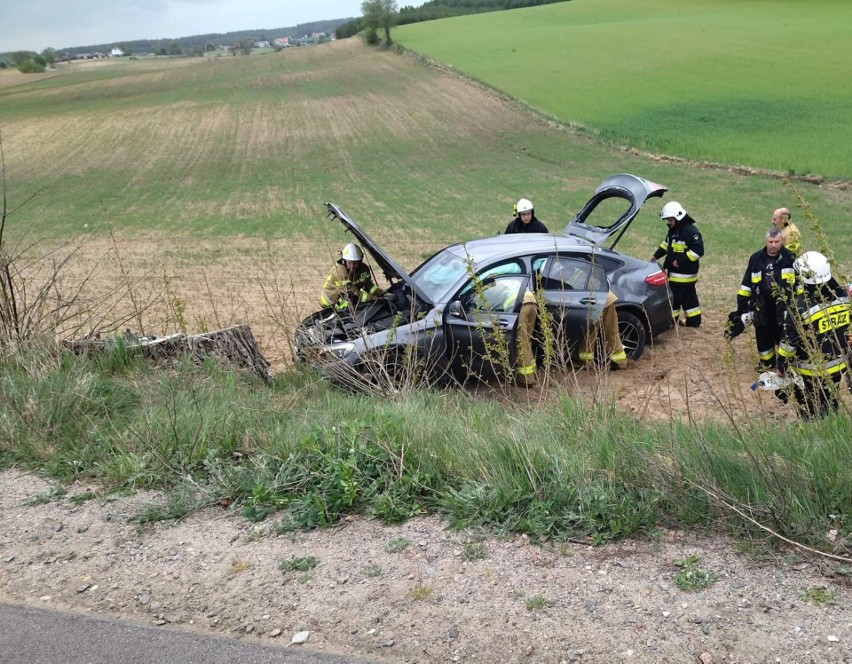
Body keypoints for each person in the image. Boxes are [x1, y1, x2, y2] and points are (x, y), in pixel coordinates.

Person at [777, 251, 851, 418]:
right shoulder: (843, 297)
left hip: (810, 371)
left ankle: (811, 431)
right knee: (831, 401)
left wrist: (781, 364)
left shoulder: (800, 306)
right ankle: (831, 428)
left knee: (808, 407)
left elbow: (789, 342)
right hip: (838, 365)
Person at [729, 228, 797, 370]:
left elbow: (798, 286)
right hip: (762, 307)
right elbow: (746, 284)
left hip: (783, 309)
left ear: (782, 241)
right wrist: (742, 307)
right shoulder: (756, 259)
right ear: (766, 241)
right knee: (763, 338)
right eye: (770, 242)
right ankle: (767, 363)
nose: (773, 245)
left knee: (785, 337)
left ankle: (785, 364)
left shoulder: (790, 258)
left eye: (776, 242)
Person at [650, 201, 704, 327]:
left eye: (670, 219)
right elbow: (666, 245)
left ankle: (669, 322)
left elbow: (698, 251)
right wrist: (655, 256)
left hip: (681, 276)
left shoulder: (690, 231)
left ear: (678, 217)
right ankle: (694, 321)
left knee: (673, 299)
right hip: (684, 277)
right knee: (689, 298)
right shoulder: (674, 230)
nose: (668, 222)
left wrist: (679, 261)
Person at [319, 242, 383, 310]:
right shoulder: (339, 272)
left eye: (355, 263)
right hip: (330, 302)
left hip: (346, 299)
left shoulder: (364, 269)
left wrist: (381, 293)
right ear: (344, 261)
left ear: (360, 261)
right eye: (349, 262)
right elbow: (353, 292)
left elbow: (368, 284)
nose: (352, 266)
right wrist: (373, 298)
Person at [577, 289, 628, 370]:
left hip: (595, 299)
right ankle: (621, 362)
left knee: (590, 332)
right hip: (606, 296)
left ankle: (585, 362)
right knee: (612, 331)